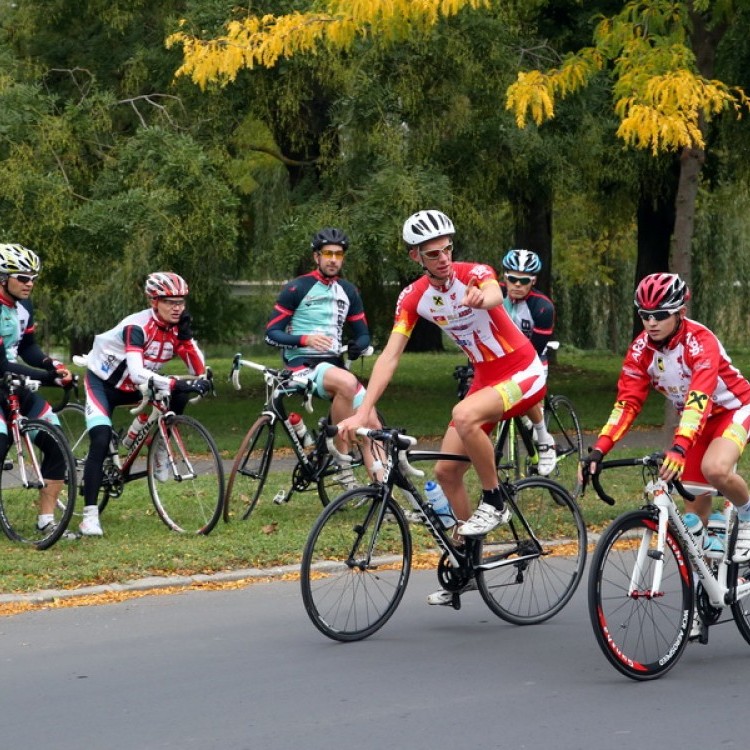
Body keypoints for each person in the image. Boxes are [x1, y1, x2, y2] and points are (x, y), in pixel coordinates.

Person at [337, 210, 548, 605]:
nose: (444, 259)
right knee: (447, 472)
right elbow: (390, 356)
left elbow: (495, 292)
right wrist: (366, 410)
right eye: (433, 254)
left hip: (523, 370)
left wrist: (483, 296)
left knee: (463, 415)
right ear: (416, 257)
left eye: (448, 249)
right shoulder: (414, 297)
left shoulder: (474, 274)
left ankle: (495, 501)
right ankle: (468, 564)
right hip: (486, 377)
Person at [579, 272, 750, 639]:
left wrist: (680, 444)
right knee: (693, 528)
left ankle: (748, 517)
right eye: (644, 315)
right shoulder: (641, 350)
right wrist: (599, 449)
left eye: (660, 314)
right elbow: (627, 403)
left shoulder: (700, 340)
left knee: (715, 470)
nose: (651, 322)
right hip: (695, 423)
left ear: (680, 312)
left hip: (733, 409)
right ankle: (702, 604)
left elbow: (699, 397)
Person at [80, 272, 209, 536]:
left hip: (136, 388)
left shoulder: (177, 326)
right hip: (104, 384)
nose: (177, 308)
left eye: (181, 302)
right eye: (169, 302)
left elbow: (198, 370)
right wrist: (172, 383)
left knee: (179, 396)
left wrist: (185, 339)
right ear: (154, 302)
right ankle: (89, 517)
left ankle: (159, 446)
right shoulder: (136, 327)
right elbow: (138, 372)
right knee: (101, 438)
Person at [264, 227, 380, 485]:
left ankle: (382, 492)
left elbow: (363, 334)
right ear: (316, 256)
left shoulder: (348, 291)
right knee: (348, 382)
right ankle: (342, 459)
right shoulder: (297, 288)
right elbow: (271, 333)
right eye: (327, 253)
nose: (333, 259)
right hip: (301, 365)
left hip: (333, 366)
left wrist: (356, 346)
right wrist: (304, 339)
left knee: (373, 426)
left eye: (338, 254)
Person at [0, 243, 74, 535]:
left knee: (56, 445)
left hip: (14, 383)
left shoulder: (24, 305)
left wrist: (51, 366)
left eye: (33, 278)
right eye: (23, 277)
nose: (30, 284)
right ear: (3, 278)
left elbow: (26, 347)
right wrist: (45, 376)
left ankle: (47, 520)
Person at [500, 248, 556, 474]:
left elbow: (536, 350)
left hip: (533, 355)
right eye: (512, 279)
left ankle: (545, 441)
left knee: (525, 389)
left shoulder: (543, 307)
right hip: (502, 356)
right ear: (504, 277)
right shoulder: (495, 295)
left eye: (524, 281)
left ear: (533, 280)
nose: (517, 285)